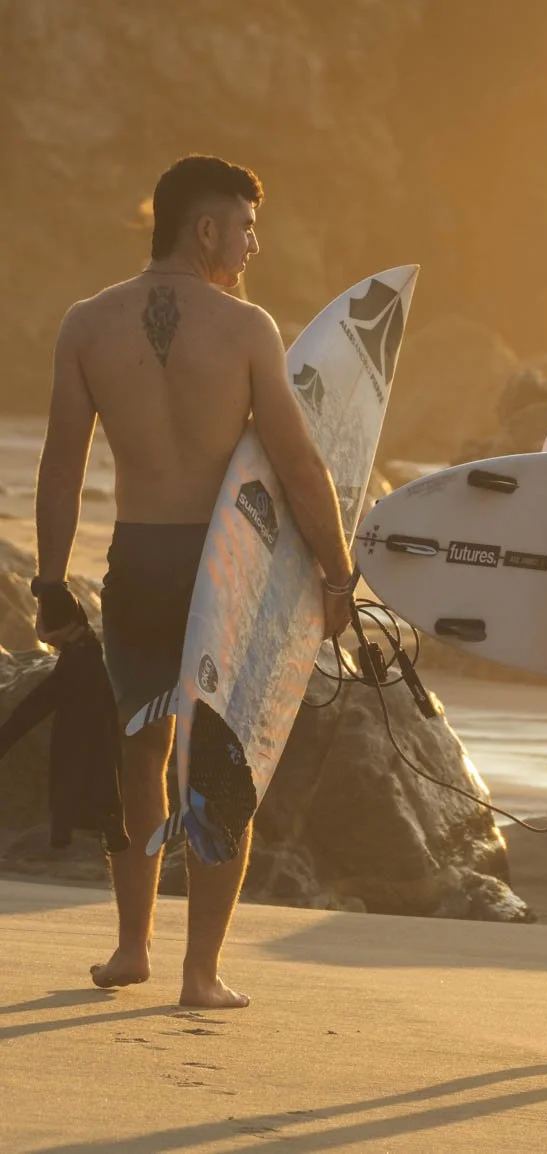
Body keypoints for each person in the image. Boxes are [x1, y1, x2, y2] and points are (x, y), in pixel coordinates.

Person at [33, 155, 357, 1008]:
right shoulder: (246, 328)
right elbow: (298, 463)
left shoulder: (86, 323)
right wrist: (337, 571)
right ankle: (200, 973)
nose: (254, 245)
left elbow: (61, 466)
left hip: (136, 561)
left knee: (140, 757)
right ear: (205, 228)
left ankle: (129, 947)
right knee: (222, 760)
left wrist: (50, 583)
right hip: (224, 570)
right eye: (245, 227)